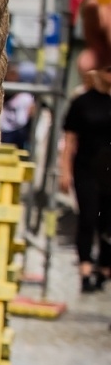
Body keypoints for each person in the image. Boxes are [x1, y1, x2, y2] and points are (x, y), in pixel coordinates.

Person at [60, 65, 111, 293]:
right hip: (86, 167)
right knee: (88, 217)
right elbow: (70, 140)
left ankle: (105, 267)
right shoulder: (82, 102)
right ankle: (85, 268)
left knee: (107, 221)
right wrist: (65, 171)